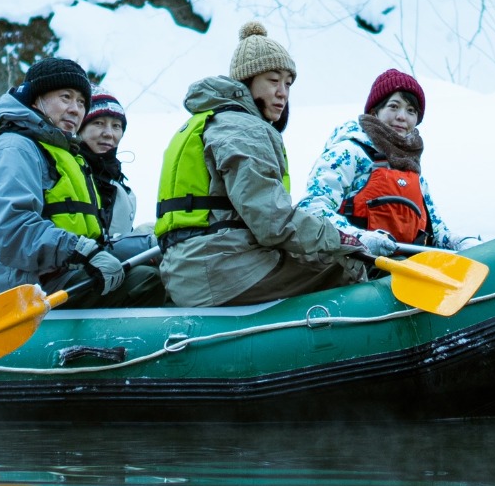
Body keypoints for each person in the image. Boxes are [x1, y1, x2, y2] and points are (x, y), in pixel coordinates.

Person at [155, 21, 383, 306]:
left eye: (288, 83)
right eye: (273, 81)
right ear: (246, 82)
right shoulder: (243, 129)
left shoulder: (208, 121)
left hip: (192, 267)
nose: (283, 93)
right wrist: (343, 240)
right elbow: (272, 221)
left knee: (313, 253)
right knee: (342, 265)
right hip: (221, 269)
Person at [0, 58, 158, 307]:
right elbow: (9, 229)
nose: (75, 109)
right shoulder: (12, 148)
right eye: (66, 97)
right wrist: (80, 249)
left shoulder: (63, 154)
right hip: (16, 292)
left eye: (81, 102)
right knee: (146, 281)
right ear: (35, 100)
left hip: (54, 281)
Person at [300, 67, 457, 250]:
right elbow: (311, 208)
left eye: (411, 110)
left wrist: (457, 242)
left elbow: (435, 229)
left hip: (404, 271)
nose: (401, 117)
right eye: (394, 106)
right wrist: (358, 238)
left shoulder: (412, 171)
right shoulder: (348, 152)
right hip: (352, 269)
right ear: (375, 111)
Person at [80, 92, 140, 238]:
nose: (109, 133)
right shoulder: (63, 170)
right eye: (99, 123)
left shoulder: (116, 179)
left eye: (116, 126)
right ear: (79, 127)